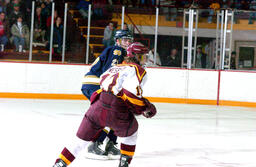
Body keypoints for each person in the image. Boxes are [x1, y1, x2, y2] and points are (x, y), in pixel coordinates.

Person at [53, 42, 157, 167]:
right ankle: (123, 164)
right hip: (117, 110)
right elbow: (130, 94)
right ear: (137, 56)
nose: (146, 58)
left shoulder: (115, 67)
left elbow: (100, 88)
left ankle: (59, 164)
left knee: (79, 142)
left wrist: (96, 108)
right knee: (131, 133)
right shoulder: (137, 70)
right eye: (144, 56)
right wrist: (145, 107)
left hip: (97, 108)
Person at [81, 30, 133, 159]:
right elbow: (109, 72)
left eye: (129, 40)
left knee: (116, 113)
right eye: (124, 40)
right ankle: (94, 145)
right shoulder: (117, 50)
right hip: (95, 84)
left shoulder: (122, 54)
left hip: (95, 84)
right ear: (117, 41)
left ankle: (110, 144)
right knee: (108, 113)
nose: (127, 42)